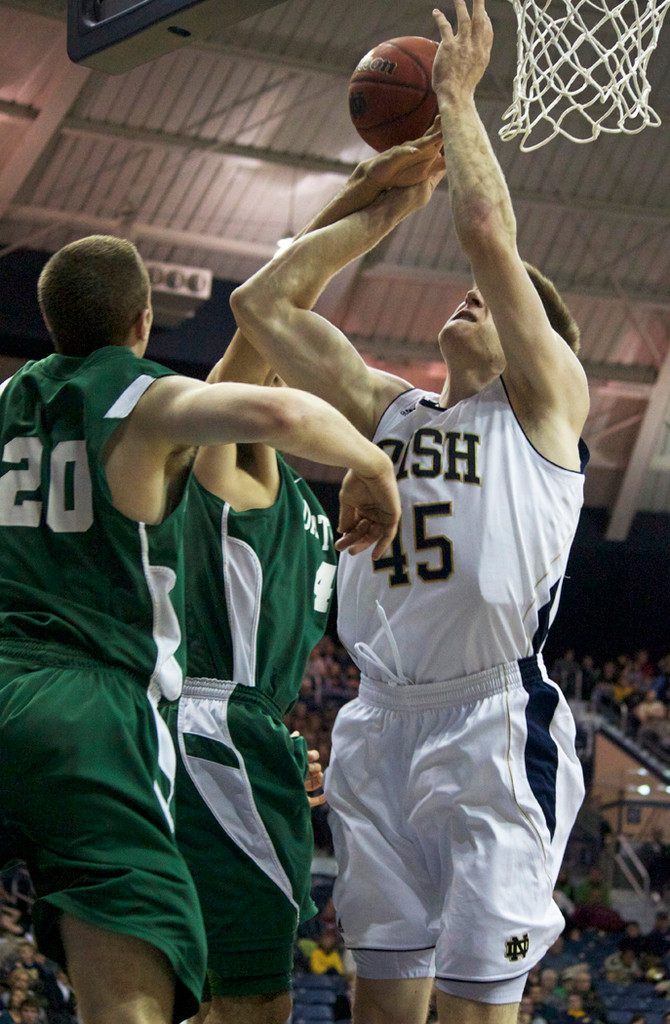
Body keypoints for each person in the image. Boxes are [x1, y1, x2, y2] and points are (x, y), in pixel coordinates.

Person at [230, 0, 590, 1019]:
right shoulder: (390, 411)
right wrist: (378, 208)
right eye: (481, 293)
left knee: (479, 1005)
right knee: (382, 1005)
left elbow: (484, 232)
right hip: (375, 719)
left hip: (489, 722)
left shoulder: (545, 411)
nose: (480, 295)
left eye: (509, 298)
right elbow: (263, 307)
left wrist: (455, 99)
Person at [0, 235, 402, 1024]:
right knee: (180, 991)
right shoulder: (196, 438)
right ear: (143, 322)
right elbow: (266, 363)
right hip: (128, 712)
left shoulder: (16, 403)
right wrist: (377, 463)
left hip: (65, 686)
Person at [164, 331, 338, 1024]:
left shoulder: (303, 504)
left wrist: (278, 740)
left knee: (219, 994)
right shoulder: (236, 483)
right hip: (217, 728)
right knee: (255, 1000)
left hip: (249, 733)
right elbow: (224, 386)